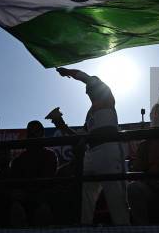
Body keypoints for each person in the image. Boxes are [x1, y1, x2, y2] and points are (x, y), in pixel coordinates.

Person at [50, 67, 130, 225]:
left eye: (90, 88)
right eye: (87, 90)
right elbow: (81, 137)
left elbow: (86, 77)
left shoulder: (107, 97)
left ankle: (125, 228)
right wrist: (61, 125)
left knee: (116, 199)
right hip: (91, 153)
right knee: (84, 194)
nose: (88, 91)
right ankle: (84, 227)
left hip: (110, 150)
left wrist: (68, 72)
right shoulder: (89, 114)